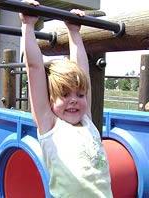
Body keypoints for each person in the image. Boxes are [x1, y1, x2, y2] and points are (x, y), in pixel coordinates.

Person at [20, 1, 113, 197]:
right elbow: (35, 68)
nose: (74, 100)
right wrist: (28, 25)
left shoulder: (86, 119)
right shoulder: (50, 125)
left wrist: (74, 32)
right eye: (64, 95)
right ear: (50, 100)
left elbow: (83, 71)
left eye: (80, 95)